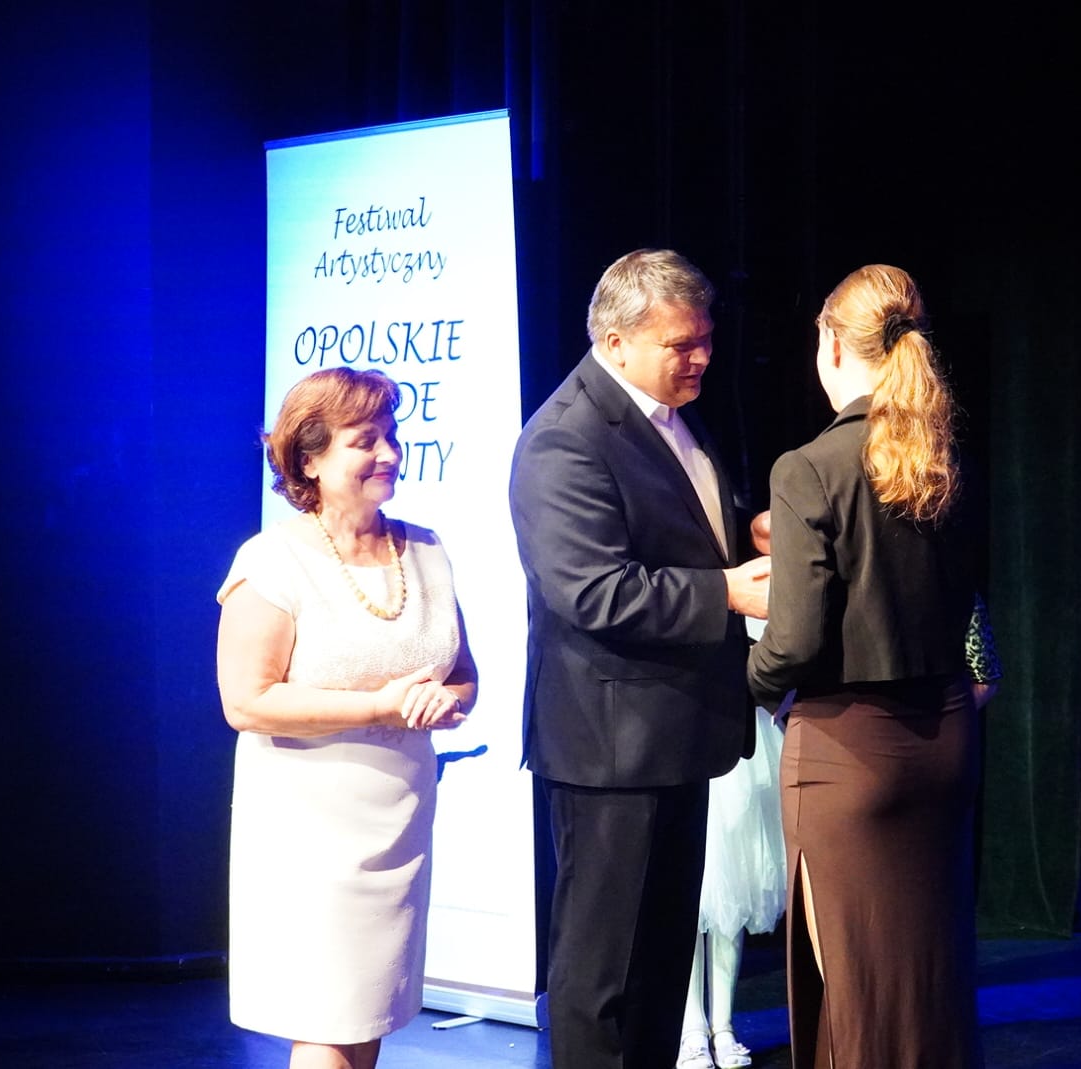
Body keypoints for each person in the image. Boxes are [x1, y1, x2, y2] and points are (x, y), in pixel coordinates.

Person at [509, 248, 772, 1069]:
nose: (700, 358)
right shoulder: (565, 439)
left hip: (676, 734)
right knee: (604, 975)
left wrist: (746, 533)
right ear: (615, 340)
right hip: (609, 748)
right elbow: (594, 591)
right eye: (679, 344)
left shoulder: (671, 414)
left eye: (705, 339)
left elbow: (680, 532)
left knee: (660, 967)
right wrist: (725, 591)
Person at [747, 264, 999, 1069]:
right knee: (930, 988)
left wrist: (745, 681)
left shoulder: (808, 467)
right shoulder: (947, 461)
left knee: (856, 993)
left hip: (846, 755)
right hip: (945, 743)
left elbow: (795, 641)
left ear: (830, 343)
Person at [215, 367, 478, 1069]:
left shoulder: (427, 549)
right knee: (326, 1020)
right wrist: (381, 705)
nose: (389, 453)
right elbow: (246, 700)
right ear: (310, 459)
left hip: (399, 820)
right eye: (365, 441)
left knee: (367, 1017)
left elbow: (463, 674)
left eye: (391, 435)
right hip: (308, 831)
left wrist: (448, 700)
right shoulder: (271, 561)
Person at [676, 684, 787, 1069]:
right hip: (681, 731)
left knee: (733, 886)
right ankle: (690, 1027)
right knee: (687, 892)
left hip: (738, 732)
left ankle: (722, 1025)